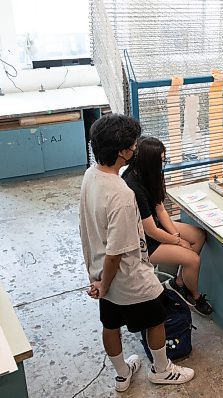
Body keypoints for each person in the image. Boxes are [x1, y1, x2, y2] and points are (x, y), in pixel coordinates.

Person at [79, 114, 194, 392]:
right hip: (126, 278)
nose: (135, 149)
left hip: (99, 272)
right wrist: (105, 286)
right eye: (132, 145)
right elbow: (117, 252)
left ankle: (121, 375)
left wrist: (96, 280)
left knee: (110, 325)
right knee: (156, 319)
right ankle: (162, 370)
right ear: (122, 151)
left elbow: (87, 229)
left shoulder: (90, 175)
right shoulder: (121, 193)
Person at [122, 136, 212, 316]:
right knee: (194, 260)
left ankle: (179, 283)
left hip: (154, 229)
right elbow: (151, 231)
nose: (163, 164)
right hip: (143, 243)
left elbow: (160, 209)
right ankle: (194, 295)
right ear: (149, 162)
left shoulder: (151, 175)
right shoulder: (132, 186)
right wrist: (178, 242)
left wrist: (176, 235)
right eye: (161, 161)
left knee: (199, 236)